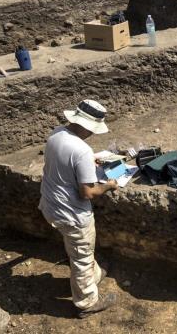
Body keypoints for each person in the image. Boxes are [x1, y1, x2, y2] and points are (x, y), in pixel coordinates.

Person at [38, 100, 119, 317]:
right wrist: (109, 185)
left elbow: (65, 161)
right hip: (72, 213)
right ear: (88, 126)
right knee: (81, 256)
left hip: (50, 205)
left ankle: (95, 275)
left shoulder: (57, 133)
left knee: (77, 248)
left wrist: (88, 162)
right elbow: (88, 193)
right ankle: (86, 303)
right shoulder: (82, 150)